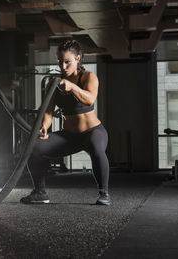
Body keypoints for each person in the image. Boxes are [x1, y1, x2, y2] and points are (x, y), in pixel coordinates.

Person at [20, 40, 111, 205]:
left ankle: (104, 193)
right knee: (34, 146)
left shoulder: (89, 77)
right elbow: (47, 111)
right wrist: (45, 126)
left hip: (92, 132)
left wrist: (72, 87)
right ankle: (40, 192)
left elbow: (90, 100)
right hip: (69, 136)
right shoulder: (54, 82)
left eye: (67, 62)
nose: (63, 66)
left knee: (97, 148)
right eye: (60, 62)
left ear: (78, 58)